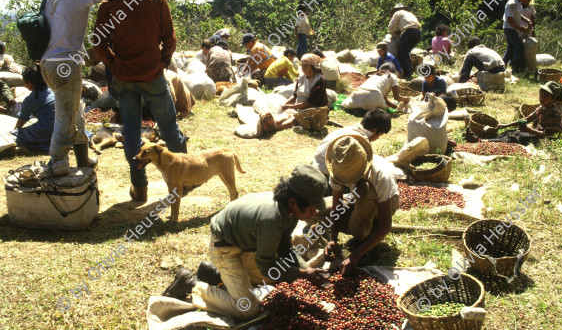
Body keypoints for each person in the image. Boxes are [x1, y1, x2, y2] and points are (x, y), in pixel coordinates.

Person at [161, 164, 331, 320]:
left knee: (274, 279)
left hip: (246, 243)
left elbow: (285, 245)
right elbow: (267, 266)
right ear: (293, 202)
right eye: (311, 209)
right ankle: (191, 283)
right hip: (224, 248)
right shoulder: (273, 218)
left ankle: (214, 274)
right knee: (247, 308)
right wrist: (302, 274)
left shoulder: (288, 209)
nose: (314, 213)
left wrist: (306, 269)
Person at [94, 0, 187, 203]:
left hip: (124, 78)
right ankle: (184, 181)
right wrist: (162, 63)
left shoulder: (109, 3)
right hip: (152, 75)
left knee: (132, 132)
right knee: (169, 127)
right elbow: (169, 38)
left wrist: (114, 64)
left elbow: (98, 43)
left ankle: (140, 188)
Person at [40, 0, 129, 176]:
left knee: (75, 111)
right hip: (65, 64)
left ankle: (82, 158)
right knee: (66, 118)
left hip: (49, 63)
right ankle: (58, 163)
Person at [321, 135, 399, 275]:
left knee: (365, 191)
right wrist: (333, 239)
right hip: (355, 197)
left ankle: (364, 239)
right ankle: (361, 230)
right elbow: (336, 208)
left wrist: (356, 255)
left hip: (383, 202)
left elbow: (386, 224)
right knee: (317, 212)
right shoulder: (339, 168)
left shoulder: (381, 174)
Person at [312, 108, 392, 183]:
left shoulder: (347, 129)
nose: (378, 138)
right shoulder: (359, 143)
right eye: (380, 135)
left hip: (313, 169)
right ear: (375, 130)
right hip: (325, 178)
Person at [260, 53, 328, 132]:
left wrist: (291, 106)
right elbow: (295, 95)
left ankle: (274, 127)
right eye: (302, 65)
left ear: (313, 66)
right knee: (287, 113)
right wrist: (286, 105)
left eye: (306, 65)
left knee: (295, 118)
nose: (302, 68)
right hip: (300, 107)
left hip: (314, 109)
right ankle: (273, 122)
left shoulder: (319, 80)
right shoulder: (302, 77)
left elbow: (310, 103)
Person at [494, 81, 562, 144]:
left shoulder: (553, 112)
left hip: (543, 140)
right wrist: (506, 125)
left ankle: (488, 141)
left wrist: (528, 130)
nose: (542, 99)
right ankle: (489, 139)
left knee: (513, 137)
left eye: (546, 97)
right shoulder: (542, 107)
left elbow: (549, 135)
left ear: (553, 98)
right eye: (541, 96)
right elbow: (527, 119)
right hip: (535, 134)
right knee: (509, 132)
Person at [9, 66, 55, 152]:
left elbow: (21, 121)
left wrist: (16, 131)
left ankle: (29, 146)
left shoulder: (30, 99)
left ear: (29, 83)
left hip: (47, 129)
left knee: (15, 135)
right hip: (62, 128)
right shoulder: (54, 91)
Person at [342, 63, 408, 111]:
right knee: (378, 108)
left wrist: (395, 106)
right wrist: (406, 99)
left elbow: (384, 98)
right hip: (374, 97)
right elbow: (396, 97)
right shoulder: (393, 76)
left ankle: (358, 109)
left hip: (357, 94)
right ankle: (364, 109)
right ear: (392, 71)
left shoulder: (376, 75)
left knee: (345, 104)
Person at [502, 0, 533, 72]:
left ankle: (501, 66)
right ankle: (515, 68)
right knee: (519, 46)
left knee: (510, 49)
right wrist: (520, 28)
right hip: (509, 28)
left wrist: (526, 20)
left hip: (512, 28)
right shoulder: (512, 4)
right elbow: (509, 19)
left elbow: (518, 14)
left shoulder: (518, 1)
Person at [387, 4, 421, 79]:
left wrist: (394, 32)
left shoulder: (397, 13)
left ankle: (407, 74)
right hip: (418, 32)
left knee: (402, 53)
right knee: (405, 53)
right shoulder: (409, 14)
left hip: (409, 32)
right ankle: (408, 71)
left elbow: (390, 27)